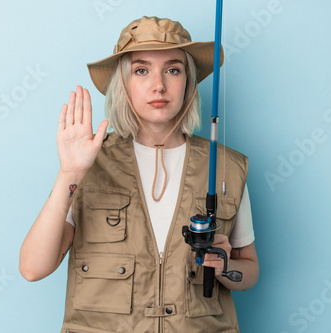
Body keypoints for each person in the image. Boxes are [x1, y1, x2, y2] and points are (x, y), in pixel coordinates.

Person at [19, 16, 259, 333]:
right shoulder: (90, 161)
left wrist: (225, 267)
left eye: (173, 69)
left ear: (189, 81)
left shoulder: (228, 165)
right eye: (141, 70)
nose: (158, 84)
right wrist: (70, 173)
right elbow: (34, 268)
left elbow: (249, 270)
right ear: (124, 84)